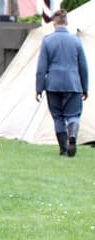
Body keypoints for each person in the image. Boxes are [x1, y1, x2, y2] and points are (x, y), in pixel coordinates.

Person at [35, 9, 89, 156]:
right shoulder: (76, 41)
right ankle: (72, 134)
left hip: (53, 85)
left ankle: (64, 149)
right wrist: (85, 88)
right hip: (73, 84)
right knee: (73, 115)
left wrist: (39, 88)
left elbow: (41, 68)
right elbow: (83, 67)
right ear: (66, 22)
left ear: (54, 23)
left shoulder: (47, 41)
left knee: (58, 117)